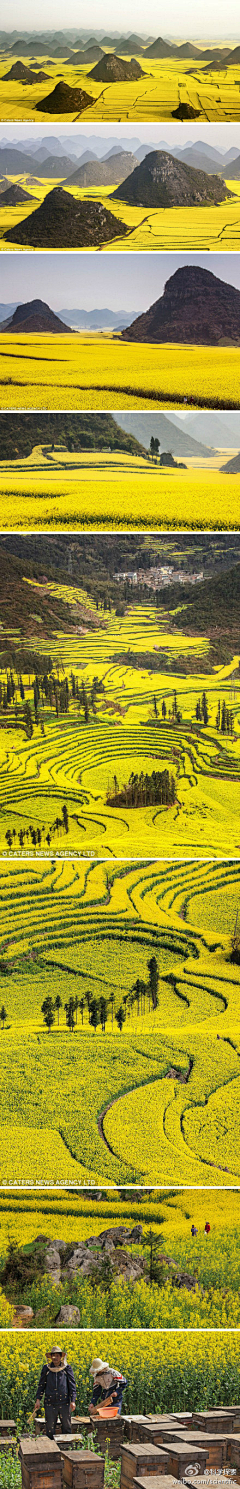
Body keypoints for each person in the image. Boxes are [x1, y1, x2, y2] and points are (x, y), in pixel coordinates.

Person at [34, 1344, 76, 1439]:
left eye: (57, 1355)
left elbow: (72, 1385)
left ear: (61, 1357)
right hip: (50, 1403)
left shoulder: (67, 1368)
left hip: (64, 1402)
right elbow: (41, 1385)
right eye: (53, 1355)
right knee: (49, 1428)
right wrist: (38, 1400)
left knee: (66, 1426)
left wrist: (73, 1401)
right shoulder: (46, 1368)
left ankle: (67, 1449)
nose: (55, 1358)